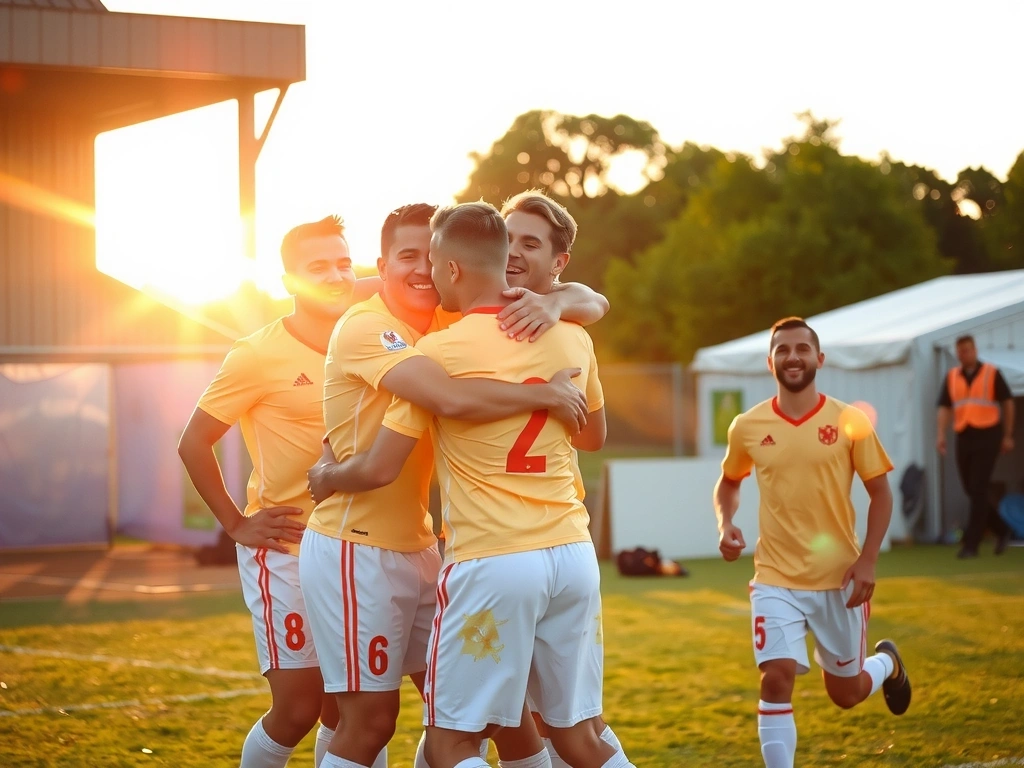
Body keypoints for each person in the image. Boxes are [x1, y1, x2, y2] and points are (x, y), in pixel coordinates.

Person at [308, 201, 633, 768]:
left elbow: (385, 462)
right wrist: (554, 329)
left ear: (451, 269)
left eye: (431, 261)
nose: (428, 272)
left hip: (493, 559)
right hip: (573, 555)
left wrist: (327, 474)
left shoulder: (437, 352)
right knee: (578, 735)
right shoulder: (572, 337)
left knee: (449, 745)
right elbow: (594, 435)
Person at [179, 215, 359, 768]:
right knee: (298, 707)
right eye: (318, 266)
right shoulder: (256, 352)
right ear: (289, 280)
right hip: (285, 548)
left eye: (344, 263)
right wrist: (236, 524)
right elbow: (193, 443)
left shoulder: (370, 332)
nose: (335, 275)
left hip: (355, 544)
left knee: (347, 710)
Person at [713, 316, 912, 768]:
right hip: (775, 578)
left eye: (802, 349)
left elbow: (880, 493)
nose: (793, 357)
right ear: (770, 362)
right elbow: (728, 483)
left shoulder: (849, 420)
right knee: (775, 679)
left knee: (846, 694)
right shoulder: (747, 425)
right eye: (783, 350)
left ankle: (887, 665)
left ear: (819, 358)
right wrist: (726, 524)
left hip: (840, 579)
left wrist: (868, 561)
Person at [498, 189, 625, 766]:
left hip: (500, 549)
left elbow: (592, 298)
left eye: (530, 242)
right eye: (506, 238)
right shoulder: (576, 329)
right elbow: (594, 299)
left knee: (472, 729)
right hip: (564, 547)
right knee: (573, 726)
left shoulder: (457, 325)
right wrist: (561, 303)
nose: (514, 252)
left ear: (558, 260)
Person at [936, 334, 1016, 558]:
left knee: (978, 487)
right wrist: (940, 433)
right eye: (961, 351)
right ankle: (1002, 529)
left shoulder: (991, 373)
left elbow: (1007, 402)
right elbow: (945, 406)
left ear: (975, 350)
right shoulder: (952, 376)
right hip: (964, 434)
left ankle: (972, 544)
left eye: (968, 350)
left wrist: (1008, 434)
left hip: (988, 433)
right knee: (971, 489)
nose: (965, 355)